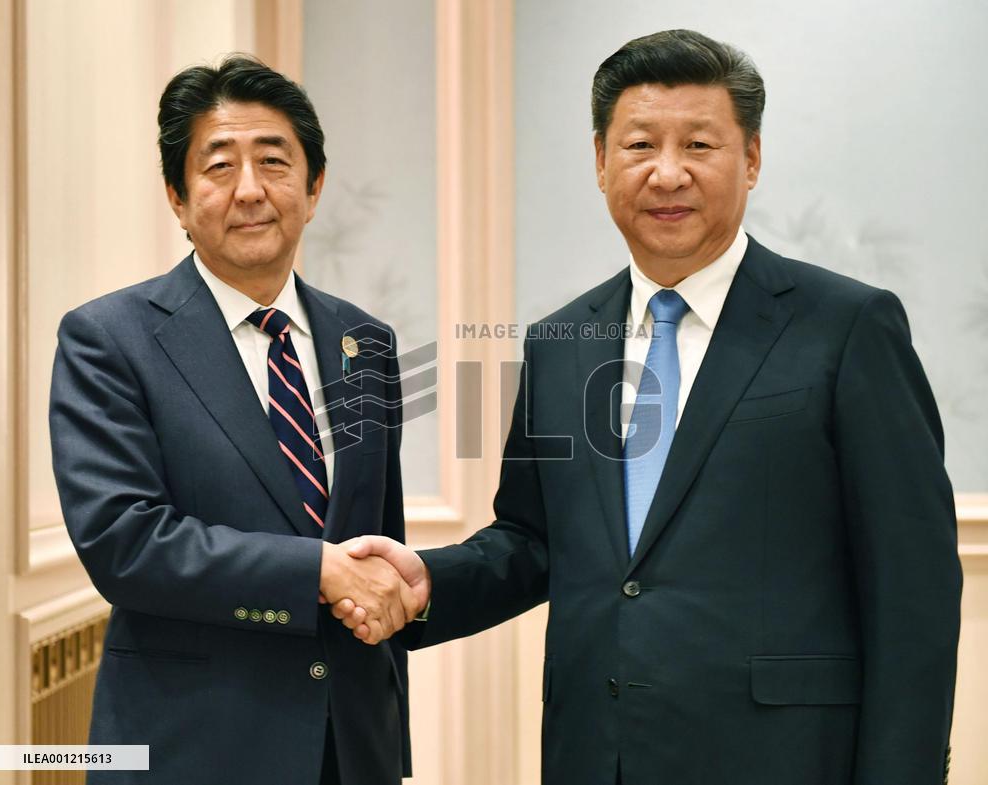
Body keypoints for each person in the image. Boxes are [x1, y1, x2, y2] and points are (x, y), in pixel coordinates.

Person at [336, 29, 962, 785]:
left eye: (700, 144)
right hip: (598, 754)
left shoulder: (847, 327)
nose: (668, 173)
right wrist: (427, 583)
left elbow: (913, 591)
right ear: (601, 161)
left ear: (752, 158)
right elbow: (534, 539)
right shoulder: (560, 341)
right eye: (639, 146)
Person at [49, 55, 425, 785]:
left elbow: (380, 540)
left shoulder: (366, 342)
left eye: (275, 162)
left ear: (313, 188)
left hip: (348, 749)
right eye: (218, 166)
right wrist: (313, 570)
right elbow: (124, 541)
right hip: (191, 747)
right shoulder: (109, 338)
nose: (250, 190)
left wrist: (389, 744)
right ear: (178, 197)